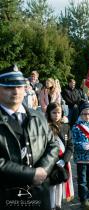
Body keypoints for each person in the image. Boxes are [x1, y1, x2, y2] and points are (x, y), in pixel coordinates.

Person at [0, 65, 59, 210]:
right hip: (6, 196)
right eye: (8, 87)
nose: (15, 91)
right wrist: (30, 175)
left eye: (20, 86)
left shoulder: (38, 115)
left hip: (39, 194)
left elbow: (52, 145)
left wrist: (43, 170)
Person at [46, 102, 74, 210]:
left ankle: (58, 206)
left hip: (63, 161)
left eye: (59, 112)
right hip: (50, 162)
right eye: (54, 112)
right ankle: (52, 206)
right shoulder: (45, 126)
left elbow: (70, 146)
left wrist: (65, 160)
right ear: (49, 113)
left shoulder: (66, 126)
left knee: (60, 184)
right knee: (52, 185)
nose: (57, 115)